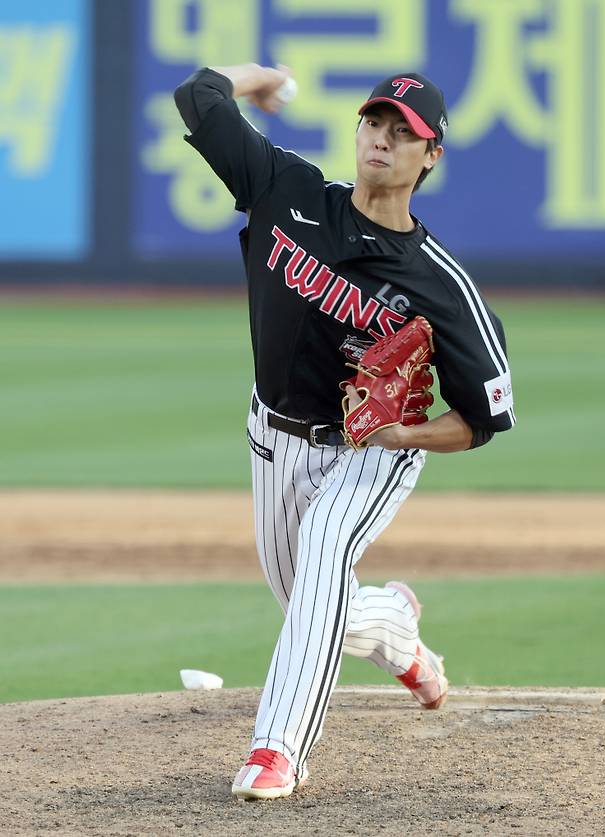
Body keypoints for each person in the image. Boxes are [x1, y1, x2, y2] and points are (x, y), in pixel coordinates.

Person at [174, 63, 515, 801]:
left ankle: (277, 748)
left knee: (328, 548)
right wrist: (258, 78)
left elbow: (483, 419)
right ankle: (395, 626)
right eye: (374, 124)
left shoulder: (442, 288)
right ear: (356, 130)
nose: (382, 141)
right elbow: (197, 97)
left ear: (432, 157)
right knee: (308, 596)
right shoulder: (287, 190)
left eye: (404, 134)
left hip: (370, 452)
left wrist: (406, 435)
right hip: (274, 435)